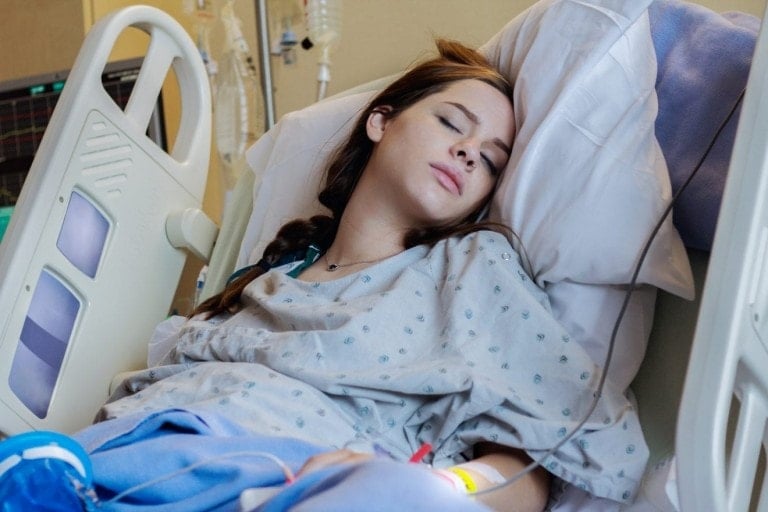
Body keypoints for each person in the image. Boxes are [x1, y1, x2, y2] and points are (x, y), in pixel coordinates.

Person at [1, 39, 647, 512]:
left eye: (488, 161)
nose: (466, 152)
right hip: (134, 442)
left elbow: (546, 457)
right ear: (381, 119)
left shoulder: (471, 271)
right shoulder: (278, 268)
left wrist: (446, 487)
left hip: (287, 475)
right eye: (453, 123)